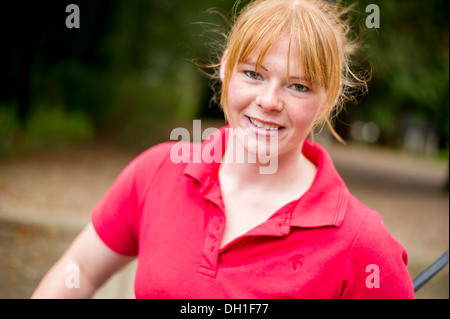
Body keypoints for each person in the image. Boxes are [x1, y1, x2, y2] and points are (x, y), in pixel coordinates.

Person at [32, 0, 415, 299]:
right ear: (225, 69)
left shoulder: (362, 244)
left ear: (328, 99)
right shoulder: (156, 171)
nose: (268, 100)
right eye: (253, 74)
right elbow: (79, 269)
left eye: (298, 86)